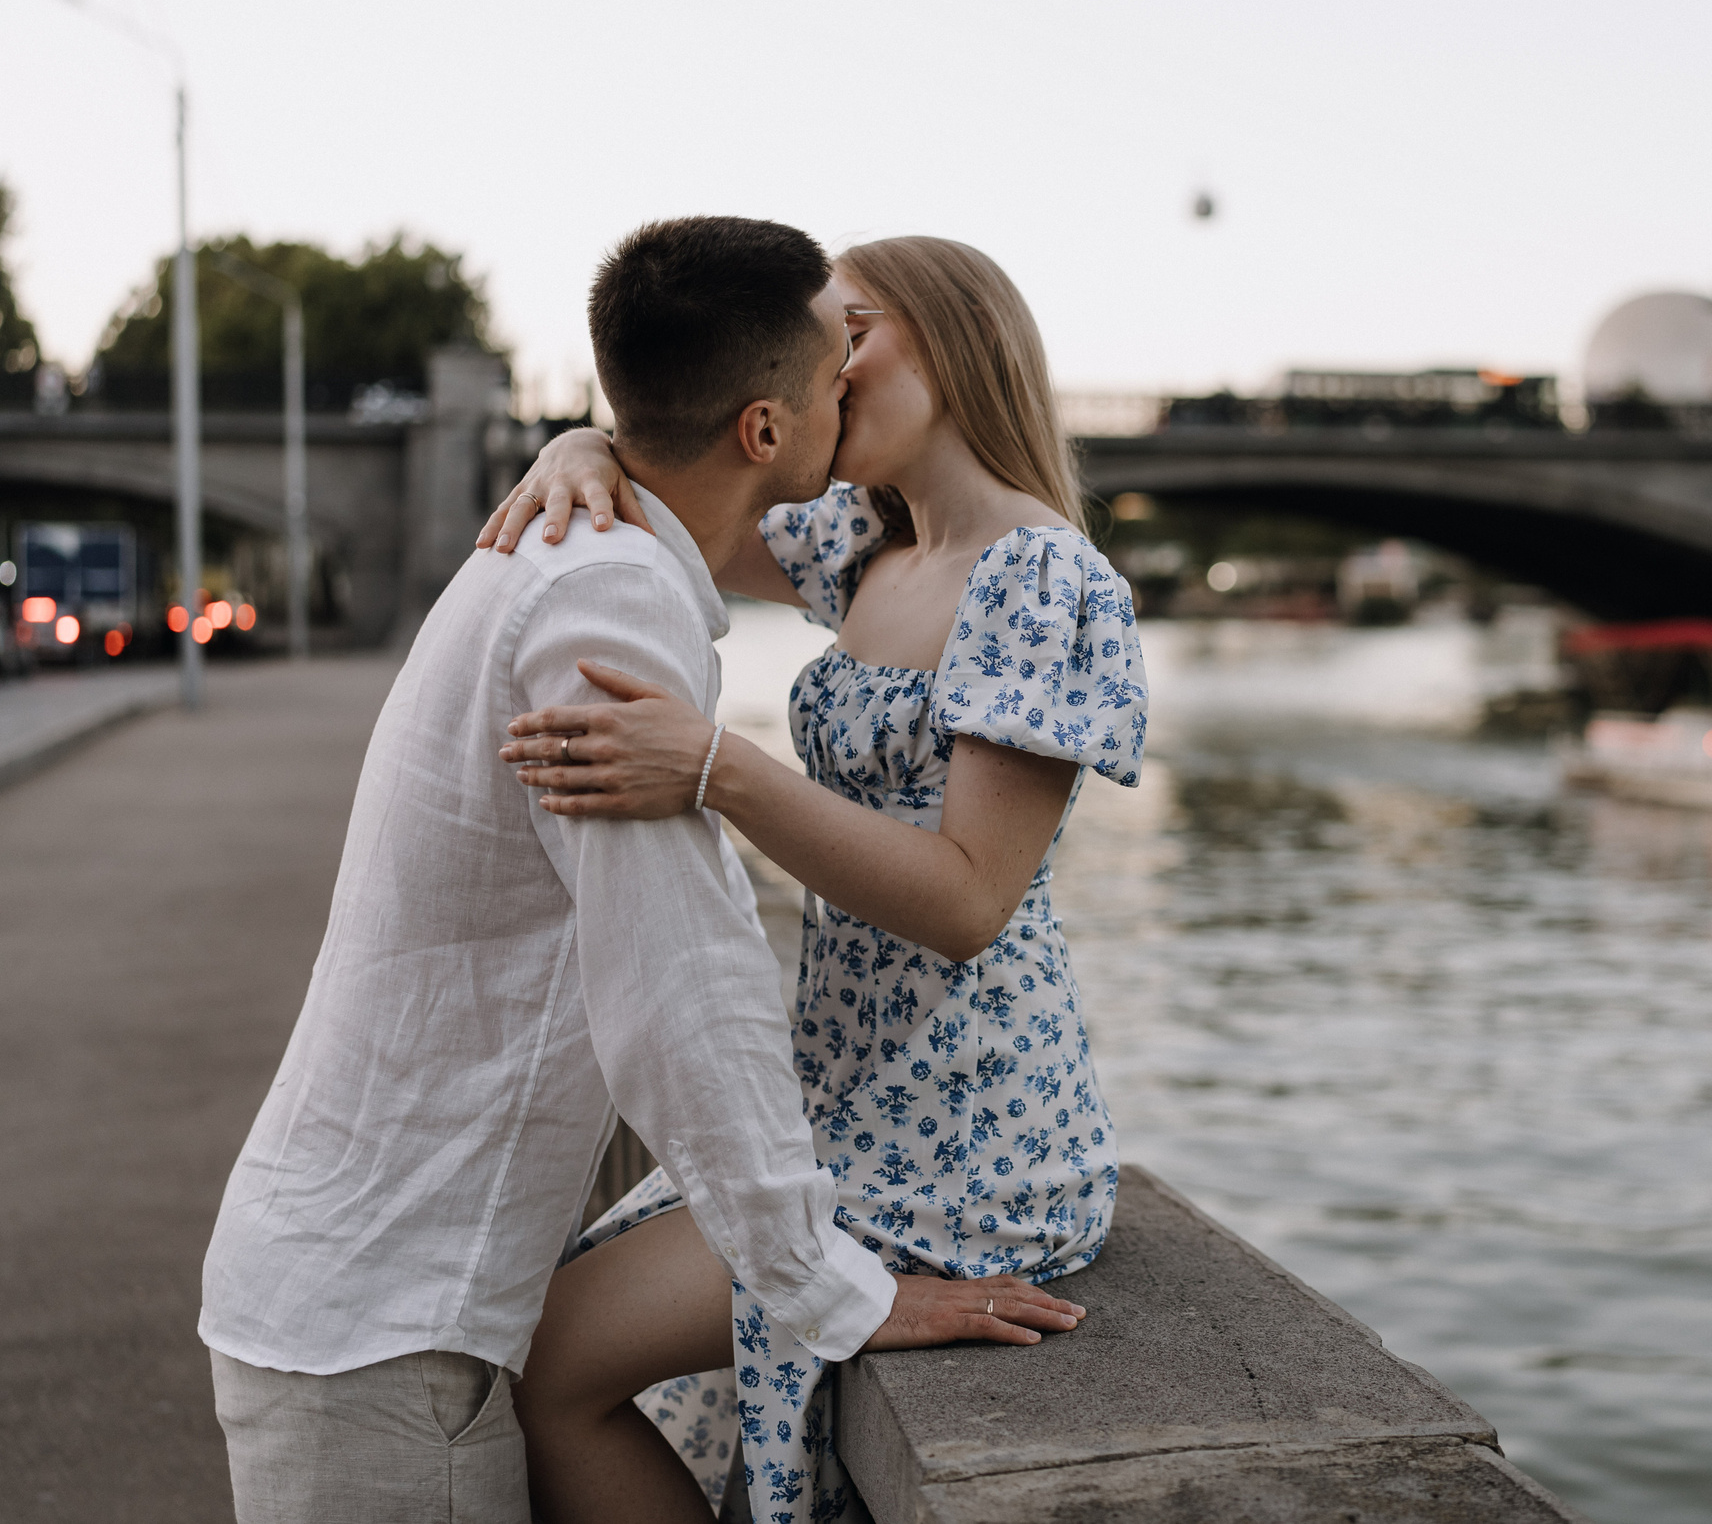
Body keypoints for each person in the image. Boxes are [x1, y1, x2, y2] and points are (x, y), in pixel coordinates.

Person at [198, 218, 1082, 1524]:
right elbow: (683, 996)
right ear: (766, 429)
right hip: (386, 1329)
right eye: (834, 358)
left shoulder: (579, 547)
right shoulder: (605, 602)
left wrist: (588, 438)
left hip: (357, 1284)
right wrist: (838, 1289)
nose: (854, 375)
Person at [480, 234, 1146, 1521]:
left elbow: (967, 902)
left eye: (856, 328)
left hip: (968, 1128)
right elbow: (690, 469)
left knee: (554, 1361)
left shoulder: (1043, 578)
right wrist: (579, 448)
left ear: (954, 342)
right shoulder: (860, 546)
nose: (829, 363)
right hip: (836, 1097)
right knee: (536, 1336)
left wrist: (716, 769)